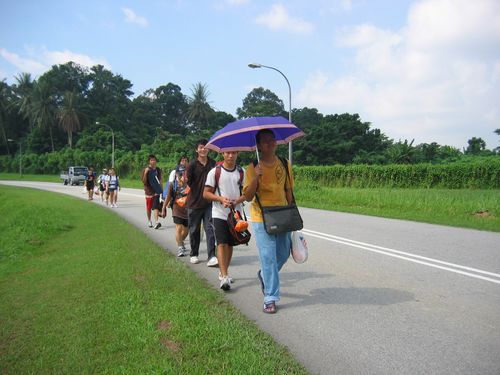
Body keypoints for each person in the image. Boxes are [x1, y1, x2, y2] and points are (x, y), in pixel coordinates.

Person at [243, 129, 294, 314]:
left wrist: (292, 212)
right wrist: (256, 177)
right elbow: (248, 196)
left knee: (283, 253)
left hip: (282, 214)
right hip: (261, 216)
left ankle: (264, 274)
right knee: (268, 257)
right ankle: (270, 297)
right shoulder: (252, 167)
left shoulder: (284, 163)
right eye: (265, 141)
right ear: (258, 146)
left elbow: (289, 189)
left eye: (272, 140)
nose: (270, 143)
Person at [203, 151, 246, 291]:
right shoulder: (214, 172)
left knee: (230, 244)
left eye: (234, 153)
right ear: (223, 154)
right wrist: (221, 199)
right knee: (221, 243)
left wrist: (237, 201)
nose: (231, 156)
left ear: (237, 154)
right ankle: (224, 276)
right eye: (228, 153)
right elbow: (206, 193)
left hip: (235, 215)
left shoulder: (241, 171)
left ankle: (223, 272)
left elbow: (247, 193)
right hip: (219, 213)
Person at [185, 140, 217, 266]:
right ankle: (194, 254)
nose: (203, 149)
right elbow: (189, 182)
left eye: (205, 147)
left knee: (210, 229)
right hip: (194, 203)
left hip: (209, 203)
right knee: (194, 230)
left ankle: (212, 256)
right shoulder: (192, 165)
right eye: (201, 147)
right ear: (196, 150)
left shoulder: (213, 163)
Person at [162, 164, 189, 257]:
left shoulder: (190, 183)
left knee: (186, 230)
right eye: (180, 173)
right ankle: (180, 247)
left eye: (184, 173)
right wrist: (163, 208)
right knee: (178, 228)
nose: (182, 175)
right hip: (176, 208)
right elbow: (168, 196)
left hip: (187, 210)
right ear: (176, 174)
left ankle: (181, 241)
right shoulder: (173, 184)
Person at [142, 154, 163, 229]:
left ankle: (156, 222)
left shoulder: (158, 170)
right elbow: (144, 181)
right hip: (148, 191)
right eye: (151, 160)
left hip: (156, 191)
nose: (153, 161)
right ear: (149, 161)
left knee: (155, 206)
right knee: (149, 208)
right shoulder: (146, 169)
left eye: (154, 160)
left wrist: (162, 191)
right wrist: (145, 173)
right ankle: (149, 220)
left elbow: (160, 180)